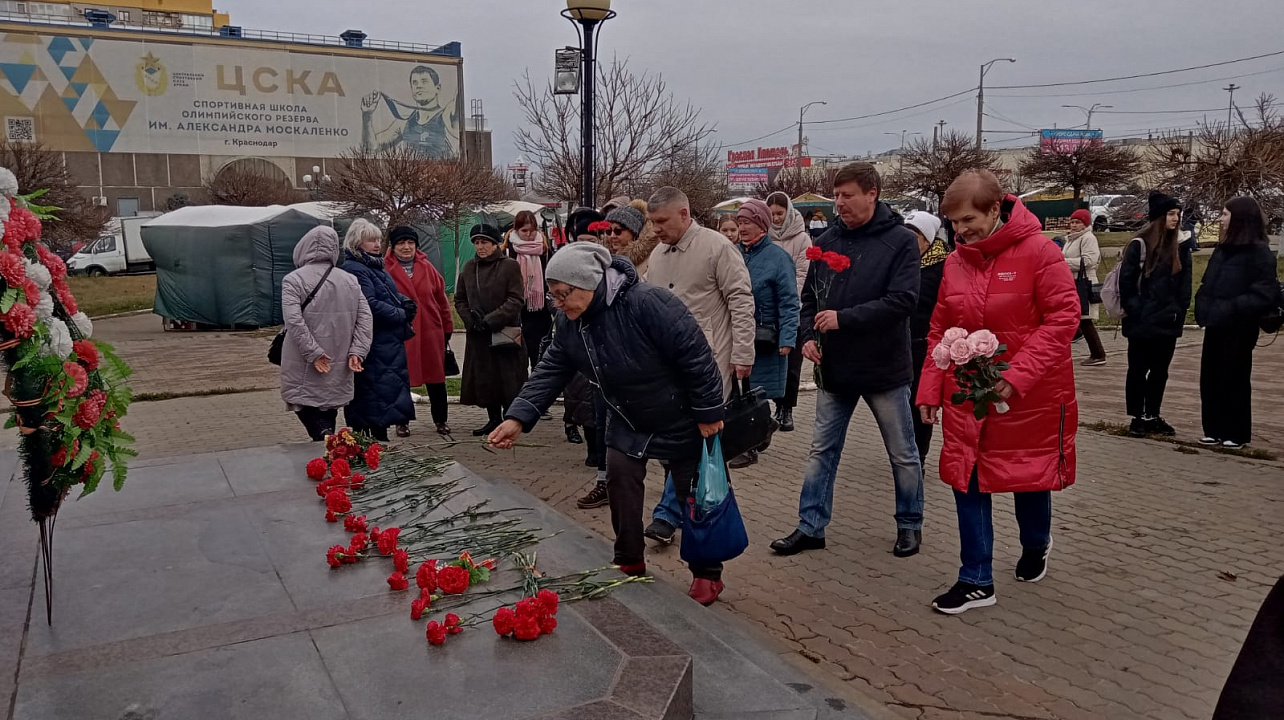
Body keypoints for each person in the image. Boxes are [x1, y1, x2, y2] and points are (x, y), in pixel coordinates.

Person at [488, 243, 730, 605]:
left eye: (562, 295)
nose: (558, 304)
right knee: (620, 482)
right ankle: (629, 559)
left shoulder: (649, 303)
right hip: (627, 419)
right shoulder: (570, 323)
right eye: (553, 297)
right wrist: (517, 417)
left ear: (587, 282)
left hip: (678, 416)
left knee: (695, 497)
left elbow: (697, 357)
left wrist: (710, 412)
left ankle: (706, 572)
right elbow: (551, 369)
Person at [917, 170, 1080, 615]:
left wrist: (1018, 374)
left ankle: (1035, 543)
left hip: (1027, 395)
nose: (960, 231)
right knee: (966, 476)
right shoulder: (955, 261)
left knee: (1026, 475)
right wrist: (930, 387)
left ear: (995, 209)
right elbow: (939, 329)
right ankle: (976, 578)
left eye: (968, 219)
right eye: (952, 223)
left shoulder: (1040, 253)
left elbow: (1063, 319)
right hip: (968, 393)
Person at [769, 163, 925, 559]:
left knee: (903, 452)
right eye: (836, 196)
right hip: (833, 366)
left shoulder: (900, 241)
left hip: (883, 367)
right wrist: (807, 337)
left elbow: (903, 301)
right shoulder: (829, 239)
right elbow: (808, 300)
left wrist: (844, 319)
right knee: (822, 450)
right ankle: (811, 526)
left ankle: (910, 524)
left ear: (872, 193)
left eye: (848, 195)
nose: (839, 204)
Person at [641, 186, 756, 547]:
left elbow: (740, 298)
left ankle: (669, 515)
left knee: (696, 437)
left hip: (711, 361)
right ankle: (698, 506)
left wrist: (743, 352)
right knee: (683, 442)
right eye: (652, 222)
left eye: (661, 221)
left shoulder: (716, 247)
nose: (656, 229)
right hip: (666, 367)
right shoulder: (657, 254)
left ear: (684, 215)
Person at [1195, 197, 1281, 449]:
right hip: (1215, 323)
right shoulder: (1223, 249)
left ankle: (1236, 431)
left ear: (1239, 218)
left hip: (1240, 325)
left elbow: (1264, 293)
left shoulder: (1259, 252)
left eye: (1224, 214)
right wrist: (1203, 304)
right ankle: (1213, 428)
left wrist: (1230, 307)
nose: (1220, 219)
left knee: (1234, 377)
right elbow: (1208, 282)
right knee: (1210, 376)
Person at [280, 226, 372, 441]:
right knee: (329, 406)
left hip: (304, 359)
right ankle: (329, 447)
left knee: (304, 404)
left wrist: (313, 352)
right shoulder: (349, 280)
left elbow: (293, 321)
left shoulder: (293, 280)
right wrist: (357, 351)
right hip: (340, 358)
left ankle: (326, 441)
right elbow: (365, 319)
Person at [728, 199, 799, 468]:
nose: (741, 227)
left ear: (761, 225)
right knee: (738, 392)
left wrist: (788, 338)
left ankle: (749, 445)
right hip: (735, 334)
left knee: (754, 393)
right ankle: (759, 431)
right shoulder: (732, 252)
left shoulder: (779, 259)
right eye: (739, 222)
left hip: (764, 337)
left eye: (746, 222)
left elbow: (789, 301)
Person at [1120, 192, 1192, 438]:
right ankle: (1137, 415)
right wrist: (1137, 310)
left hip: (1167, 323)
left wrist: (1178, 312)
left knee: (1160, 371)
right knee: (1138, 369)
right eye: (1171, 214)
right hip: (1141, 322)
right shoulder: (1139, 245)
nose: (1176, 219)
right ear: (1159, 217)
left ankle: (1152, 413)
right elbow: (1126, 284)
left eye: (1178, 214)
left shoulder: (1181, 248)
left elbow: (1185, 287)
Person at [340, 219, 415, 441]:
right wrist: (400, 314)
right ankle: (371, 442)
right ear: (357, 242)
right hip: (373, 343)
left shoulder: (375, 266)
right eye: (371, 239)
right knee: (371, 395)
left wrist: (406, 302)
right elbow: (369, 303)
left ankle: (377, 439)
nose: (376, 244)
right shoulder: (355, 269)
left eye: (378, 239)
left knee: (382, 393)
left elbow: (388, 294)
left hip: (386, 342)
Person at [455, 224, 529, 437]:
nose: (480, 246)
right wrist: (471, 320)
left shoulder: (509, 266)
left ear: (495, 243)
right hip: (479, 335)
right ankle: (493, 419)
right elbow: (460, 298)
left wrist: (492, 319)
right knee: (485, 378)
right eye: (477, 242)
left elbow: (516, 299)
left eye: (484, 242)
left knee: (507, 377)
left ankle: (510, 418)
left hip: (504, 331)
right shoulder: (469, 268)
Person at [383, 225, 453, 437]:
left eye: (410, 243)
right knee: (400, 378)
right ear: (393, 247)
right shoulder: (385, 270)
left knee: (436, 379)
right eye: (401, 243)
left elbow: (442, 301)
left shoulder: (428, 268)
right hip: (402, 333)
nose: (406, 247)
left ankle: (441, 420)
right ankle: (401, 421)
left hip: (430, 331)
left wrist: (447, 327)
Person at [766, 191, 813, 433]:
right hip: (767, 309)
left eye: (779, 213)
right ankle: (769, 408)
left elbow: (802, 274)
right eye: (771, 213)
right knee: (769, 360)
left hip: (792, 307)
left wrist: (786, 299)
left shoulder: (801, 238)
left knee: (792, 363)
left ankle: (787, 408)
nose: (775, 218)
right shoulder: (764, 236)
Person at [904, 210, 947, 466]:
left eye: (914, 236)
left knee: (919, 404)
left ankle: (918, 455)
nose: (907, 241)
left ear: (927, 239)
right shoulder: (900, 264)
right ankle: (904, 451)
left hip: (927, 345)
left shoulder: (941, 267)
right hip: (899, 343)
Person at [501, 210, 553, 372]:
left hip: (539, 309)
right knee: (516, 357)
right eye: (524, 231)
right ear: (516, 230)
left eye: (532, 231)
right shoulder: (508, 251)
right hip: (517, 310)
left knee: (540, 354)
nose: (529, 235)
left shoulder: (544, 250)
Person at [1062, 209, 1107, 366]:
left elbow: (1089, 260)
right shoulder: (1071, 239)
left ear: (1085, 224)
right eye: (1072, 222)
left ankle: (1098, 353)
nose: (1073, 225)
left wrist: (1063, 262)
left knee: (1085, 319)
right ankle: (1078, 338)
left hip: (1084, 282)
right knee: (1077, 317)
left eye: (1077, 222)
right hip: (1072, 282)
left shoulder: (1088, 238)